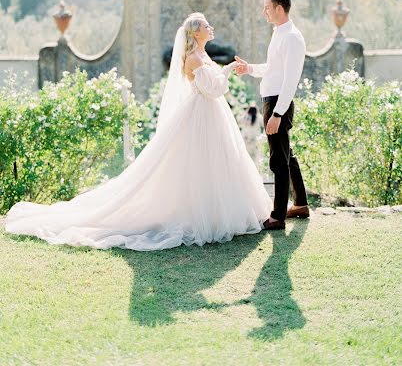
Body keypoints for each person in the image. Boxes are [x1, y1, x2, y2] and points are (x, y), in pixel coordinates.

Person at [6, 13, 271, 251]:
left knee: (215, 162)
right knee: (197, 162)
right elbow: (212, 89)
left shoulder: (204, 55)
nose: (210, 27)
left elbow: (215, 86)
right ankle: (200, 215)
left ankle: (217, 212)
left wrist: (225, 71)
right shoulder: (192, 58)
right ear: (195, 33)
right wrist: (226, 71)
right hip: (201, 115)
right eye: (205, 25)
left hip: (212, 114)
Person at [235, 0, 309, 231]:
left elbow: (290, 79)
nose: (263, 12)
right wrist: (250, 69)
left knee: (278, 159)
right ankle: (300, 204)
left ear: (279, 8)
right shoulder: (279, 34)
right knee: (286, 153)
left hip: (278, 102)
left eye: (266, 7)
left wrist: (277, 113)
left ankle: (277, 216)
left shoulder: (292, 37)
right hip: (272, 98)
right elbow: (273, 68)